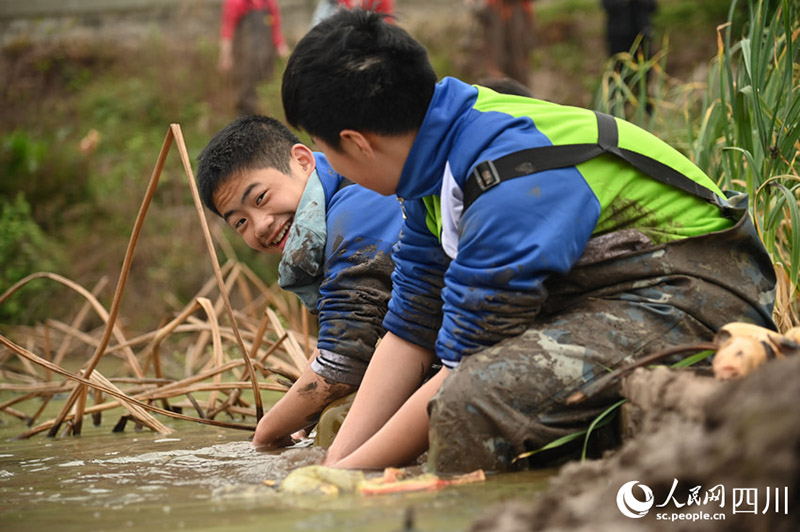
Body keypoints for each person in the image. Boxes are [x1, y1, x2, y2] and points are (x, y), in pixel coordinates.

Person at [280, 9, 778, 473]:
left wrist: (348, 481)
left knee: (467, 403)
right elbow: (412, 323)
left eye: (325, 151)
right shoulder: (434, 160)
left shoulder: (505, 175)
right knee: (377, 414)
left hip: (690, 294)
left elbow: (463, 366)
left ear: (356, 142)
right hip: (604, 294)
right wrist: (334, 470)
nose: (331, 165)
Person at [196, 115, 403, 450]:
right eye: (240, 222)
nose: (260, 226)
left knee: (338, 423)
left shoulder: (357, 206)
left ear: (303, 160)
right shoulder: (335, 206)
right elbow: (338, 343)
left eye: (261, 198)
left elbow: (341, 366)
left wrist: (265, 435)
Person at [218, 0, 290, 116]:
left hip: (266, 60)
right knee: (245, 96)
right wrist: (225, 55)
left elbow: (276, 31)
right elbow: (228, 30)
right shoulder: (236, 3)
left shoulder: (269, 3)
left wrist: (285, 54)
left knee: (266, 93)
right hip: (244, 60)